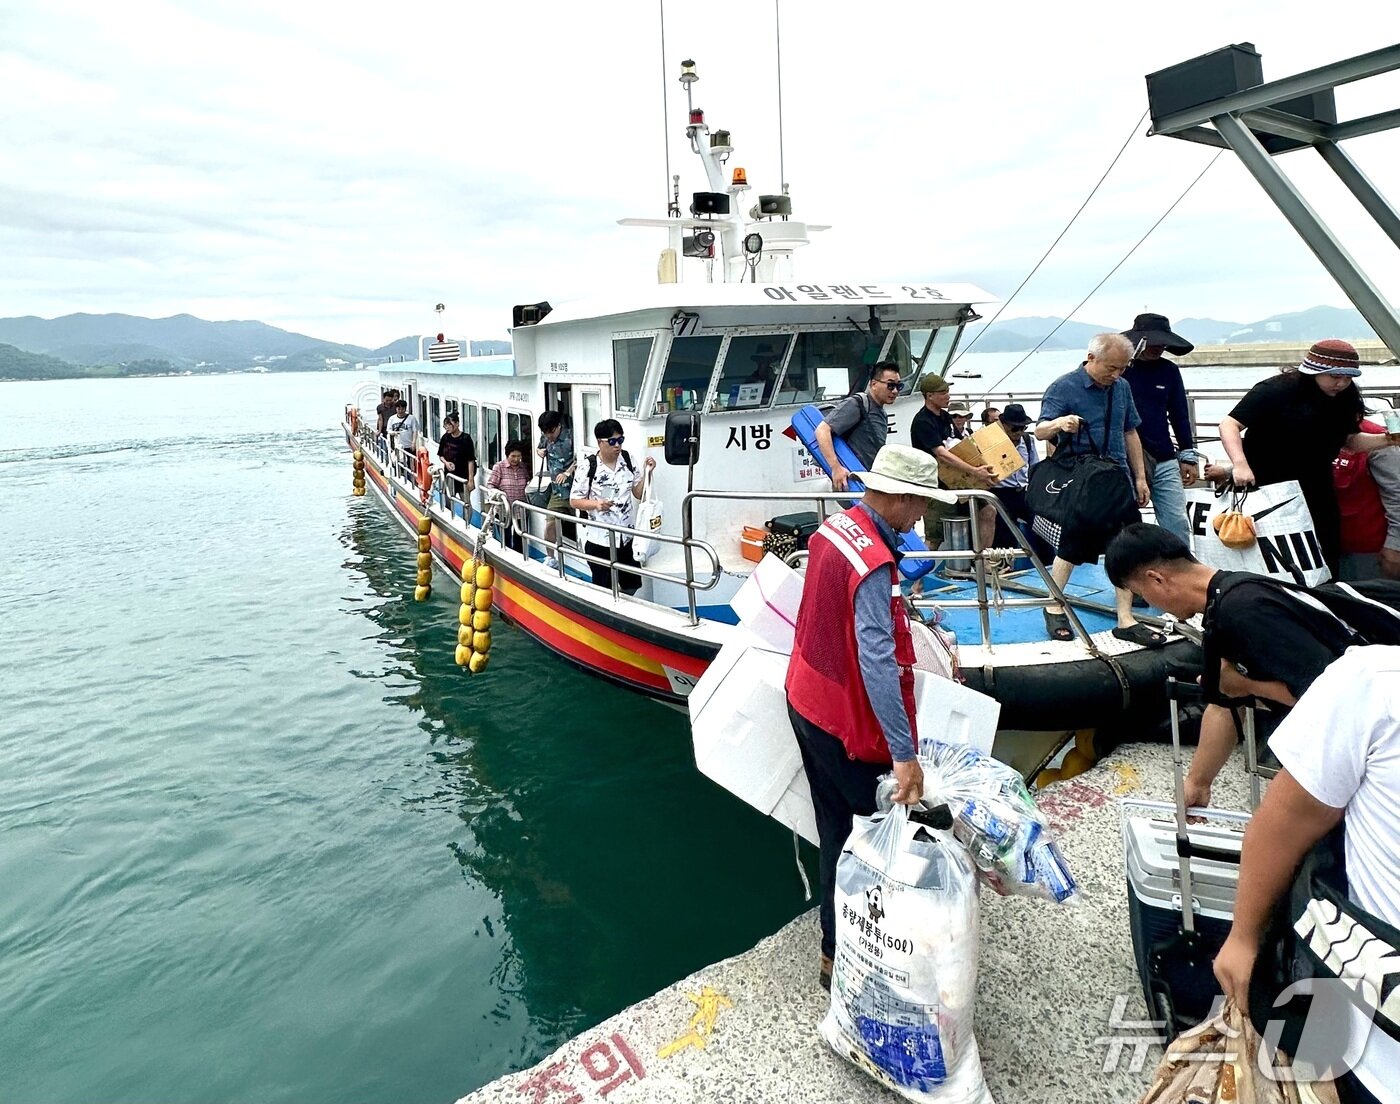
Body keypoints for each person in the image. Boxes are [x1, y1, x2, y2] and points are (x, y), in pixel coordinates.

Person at [785, 444, 958, 990]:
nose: (921, 516)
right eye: (920, 504)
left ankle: (832, 954)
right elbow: (878, 660)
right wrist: (905, 757)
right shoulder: (875, 564)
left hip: (805, 699)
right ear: (902, 497)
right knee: (878, 841)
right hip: (844, 723)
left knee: (833, 828)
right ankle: (867, 955)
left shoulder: (835, 531)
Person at [1214, 646, 1400, 1104]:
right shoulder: (1378, 682)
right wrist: (1244, 936)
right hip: (1373, 1043)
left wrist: (1243, 687)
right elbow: (1288, 820)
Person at [1105, 522, 1363, 810]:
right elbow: (1223, 703)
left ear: (1156, 580)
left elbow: (1335, 697)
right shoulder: (1222, 604)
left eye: (1141, 593)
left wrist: (1247, 686)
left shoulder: (1243, 610)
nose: (1150, 603)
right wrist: (1197, 783)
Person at [1218, 339, 1395, 576]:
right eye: (1334, 376)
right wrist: (1240, 465)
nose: (1341, 383)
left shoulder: (1344, 397)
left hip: (1317, 489)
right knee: (1273, 560)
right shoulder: (1276, 390)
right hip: (1268, 486)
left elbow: (1350, 441)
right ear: (1314, 371)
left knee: (1323, 557)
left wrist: (1388, 440)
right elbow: (1229, 424)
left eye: (1348, 377)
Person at [1034, 333, 1155, 645]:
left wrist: (1140, 477)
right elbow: (1039, 431)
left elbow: (1130, 432)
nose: (1115, 375)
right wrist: (1061, 423)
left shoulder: (1122, 388)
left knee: (1126, 542)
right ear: (1091, 359)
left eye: (1122, 369)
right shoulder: (1064, 386)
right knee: (1074, 541)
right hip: (1082, 479)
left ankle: (1125, 618)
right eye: (1111, 368)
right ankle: (1053, 604)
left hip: (1116, 476)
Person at [908, 374, 994, 593]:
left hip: (957, 483)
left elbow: (958, 445)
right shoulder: (922, 422)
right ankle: (916, 584)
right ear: (930, 396)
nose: (948, 396)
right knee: (934, 537)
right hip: (934, 485)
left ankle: (982, 563)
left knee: (988, 511)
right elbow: (942, 453)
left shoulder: (945, 418)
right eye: (943, 392)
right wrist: (975, 471)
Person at [1121, 313, 1200, 546]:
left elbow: (1179, 415)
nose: (1159, 347)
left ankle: (1180, 568)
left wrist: (1187, 455)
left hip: (1164, 455)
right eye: (1154, 342)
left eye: (1163, 343)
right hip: (1124, 456)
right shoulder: (1120, 370)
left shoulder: (1169, 370)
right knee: (1127, 521)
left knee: (1176, 520)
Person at [569, 419, 656, 595]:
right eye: (612, 442)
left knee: (632, 584)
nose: (617, 446)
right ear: (600, 443)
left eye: (620, 440)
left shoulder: (627, 459)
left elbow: (638, 493)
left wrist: (648, 473)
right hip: (600, 538)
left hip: (626, 537)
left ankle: (625, 608)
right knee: (604, 588)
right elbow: (575, 500)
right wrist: (596, 504)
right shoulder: (588, 466)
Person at [813, 362, 903, 491]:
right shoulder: (857, 404)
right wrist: (836, 468)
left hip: (868, 482)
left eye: (898, 386)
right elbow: (822, 430)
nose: (895, 391)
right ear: (874, 384)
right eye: (890, 385)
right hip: (851, 483)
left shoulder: (881, 412)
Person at [1336, 415, 1400, 582]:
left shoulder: (1376, 437)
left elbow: (1397, 494)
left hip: (1368, 550)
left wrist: (1395, 546)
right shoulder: (1307, 432)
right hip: (1326, 545)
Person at [988, 404, 1054, 561]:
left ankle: (1048, 563)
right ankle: (1003, 566)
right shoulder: (993, 444)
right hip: (1001, 492)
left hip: (1023, 491)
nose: (1018, 432)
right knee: (1004, 534)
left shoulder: (1027, 441)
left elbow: (1035, 466)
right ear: (1004, 426)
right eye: (1014, 429)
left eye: (1022, 428)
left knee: (1041, 524)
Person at [536, 410, 577, 564]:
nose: (549, 436)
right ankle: (550, 557)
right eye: (546, 433)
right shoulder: (545, 437)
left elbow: (583, 458)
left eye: (551, 432)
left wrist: (568, 472)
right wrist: (539, 451)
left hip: (576, 489)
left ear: (558, 426)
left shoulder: (571, 437)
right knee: (550, 523)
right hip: (557, 491)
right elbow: (539, 448)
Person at [487, 439, 531, 551]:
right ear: (507, 455)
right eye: (513, 456)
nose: (516, 459)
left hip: (520, 511)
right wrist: (498, 494)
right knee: (505, 539)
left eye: (519, 456)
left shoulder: (523, 468)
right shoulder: (499, 467)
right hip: (504, 510)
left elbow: (527, 482)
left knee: (519, 540)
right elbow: (491, 485)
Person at [437, 411, 477, 502]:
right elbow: (441, 455)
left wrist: (471, 480)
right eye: (445, 425)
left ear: (457, 424)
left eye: (449, 425)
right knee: (448, 499)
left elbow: (470, 460)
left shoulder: (466, 439)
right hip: (449, 474)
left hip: (463, 474)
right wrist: (446, 463)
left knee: (465, 501)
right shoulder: (445, 438)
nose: (447, 428)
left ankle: (466, 516)